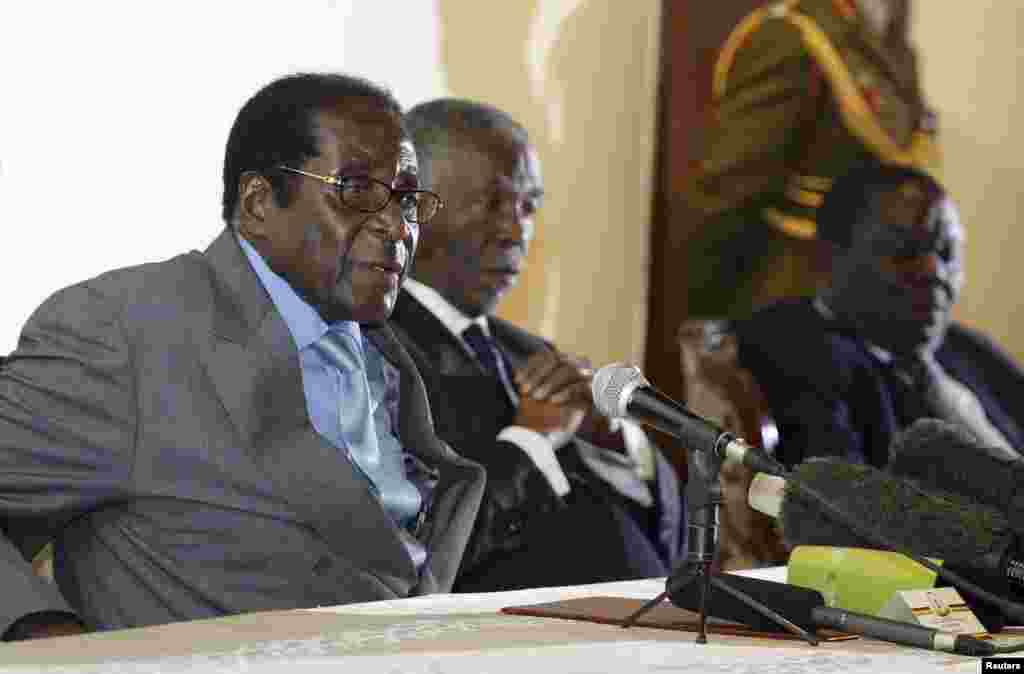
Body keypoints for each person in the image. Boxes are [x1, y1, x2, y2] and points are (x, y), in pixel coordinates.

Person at [0, 73, 485, 639]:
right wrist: (36, 628)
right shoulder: (124, 331)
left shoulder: (388, 352)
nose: (397, 226)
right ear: (258, 203)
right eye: (356, 190)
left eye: (406, 198)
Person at [392, 98, 685, 592]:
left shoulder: (530, 352)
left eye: (528, 206)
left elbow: (675, 543)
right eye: (492, 203)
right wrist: (532, 439)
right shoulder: (380, 353)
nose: (517, 231)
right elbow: (426, 552)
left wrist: (609, 436)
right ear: (414, 206)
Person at [736, 163, 1024, 470]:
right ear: (827, 256)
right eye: (905, 251)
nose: (934, 272)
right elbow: (837, 492)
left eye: (947, 252)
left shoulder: (968, 348)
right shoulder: (796, 351)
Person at [683, 0, 940, 320]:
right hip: (801, 303)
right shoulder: (790, 37)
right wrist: (710, 328)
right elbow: (726, 199)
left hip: (877, 303)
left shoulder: (890, 35)